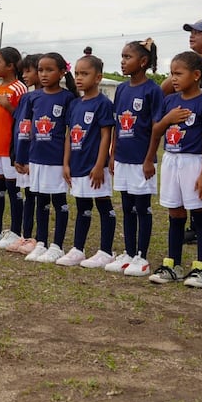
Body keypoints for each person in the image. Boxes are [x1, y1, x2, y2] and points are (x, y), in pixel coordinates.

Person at [148, 52, 202, 285]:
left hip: (193, 162)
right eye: (171, 73)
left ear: (196, 75)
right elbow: (156, 130)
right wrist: (169, 119)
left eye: (179, 73)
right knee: (175, 213)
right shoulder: (169, 101)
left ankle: (201, 268)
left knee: (198, 214)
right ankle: (172, 264)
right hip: (171, 159)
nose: (173, 78)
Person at [105, 39, 166, 277]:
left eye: (127, 57)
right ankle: (129, 252)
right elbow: (118, 125)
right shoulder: (121, 89)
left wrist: (150, 159)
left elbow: (155, 128)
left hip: (142, 160)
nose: (122, 61)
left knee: (142, 207)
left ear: (143, 62)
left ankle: (141, 256)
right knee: (127, 206)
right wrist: (112, 155)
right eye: (122, 56)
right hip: (122, 158)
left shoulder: (152, 90)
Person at [60, 54, 116, 267]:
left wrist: (100, 165)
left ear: (98, 77)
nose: (80, 78)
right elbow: (69, 135)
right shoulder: (75, 104)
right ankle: (78, 249)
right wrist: (66, 163)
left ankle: (106, 250)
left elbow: (106, 136)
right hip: (77, 164)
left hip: (94, 166)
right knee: (82, 206)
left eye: (85, 73)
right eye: (77, 74)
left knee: (103, 205)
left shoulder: (103, 104)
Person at [23, 53, 78, 263]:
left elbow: (69, 133)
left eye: (49, 70)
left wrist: (66, 162)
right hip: (37, 157)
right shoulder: (33, 97)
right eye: (40, 70)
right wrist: (24, 156)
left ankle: (57, 246)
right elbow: (27, 130)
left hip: (55, 159)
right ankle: (42, 243)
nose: (44, 74)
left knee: (58, 200)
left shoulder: (67, 98)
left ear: (62, 72)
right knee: (41, 201)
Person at [0, 48, 27, 249]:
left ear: (10, 66)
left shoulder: (19, 88)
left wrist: (9, 106)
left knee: (13, 191)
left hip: (9, 150)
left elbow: (23, 119)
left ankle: (15, 231)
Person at [7, 54, 42, 254]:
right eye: (23, 71)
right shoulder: (26, 98)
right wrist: (17, 156)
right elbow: (20, 128)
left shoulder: (52, 98)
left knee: (40, 198)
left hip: (40, 158)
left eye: (29, 71)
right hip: (24, 155)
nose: (24, 75)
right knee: (28, 196)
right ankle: (26, 235)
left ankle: (40, 238)